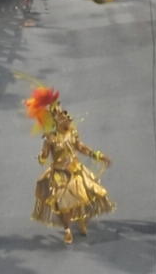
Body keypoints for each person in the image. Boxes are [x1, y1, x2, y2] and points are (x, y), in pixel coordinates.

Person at [28, 86, 114, 245]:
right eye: (65, 119)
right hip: (59, 175)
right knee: (63, 205)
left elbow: (82, 148)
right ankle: (67, 229)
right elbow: (45, 155)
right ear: (57, 121)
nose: (68, 120)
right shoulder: (50, 138)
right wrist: (42, 156)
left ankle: (79, 219)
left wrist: (99, 155)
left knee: (85, 197)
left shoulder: (72, 133)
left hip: (75, 172)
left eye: (68, 119)